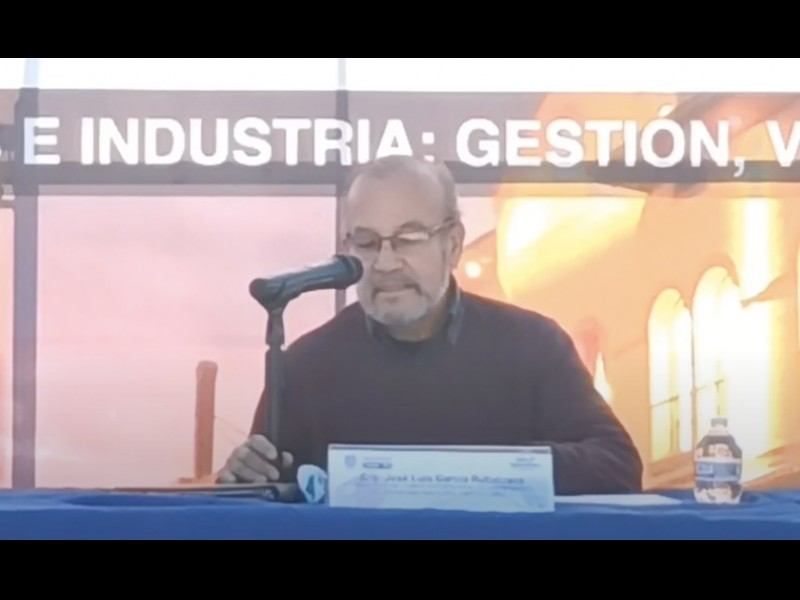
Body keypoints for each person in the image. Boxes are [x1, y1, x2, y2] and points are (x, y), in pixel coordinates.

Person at [218, 155, 643, 496]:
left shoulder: (533, 345)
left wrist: (492, 470)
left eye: (408, 239)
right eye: (366, 242)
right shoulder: (305, 365)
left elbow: (617, 466)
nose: (385, 264)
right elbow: (268, 497)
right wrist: (242, 480)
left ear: (452, 244)